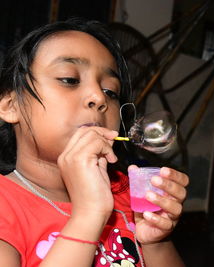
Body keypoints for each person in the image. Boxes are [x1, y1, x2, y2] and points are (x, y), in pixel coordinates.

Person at [0, 18, 189, 267]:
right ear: (10, 106)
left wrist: (156, 241)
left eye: (111, 91)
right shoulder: (5, 207)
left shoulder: (128, 194)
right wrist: (89, 214)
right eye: (69, 79)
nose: (99, 97)